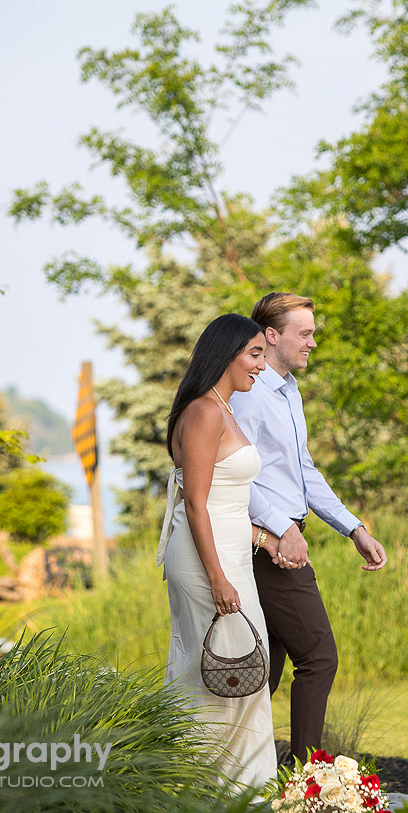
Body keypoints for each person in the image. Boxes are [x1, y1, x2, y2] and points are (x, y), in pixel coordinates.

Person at [229, 292, 388, 763]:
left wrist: (354, 528)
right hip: (268, 546)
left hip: (288, 538)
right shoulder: (251, 394)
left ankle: (240, 777)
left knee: (268, 672)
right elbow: (239, 473)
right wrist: (281, 528)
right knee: (318, 657)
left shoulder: (287, 389)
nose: (313, 342)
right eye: (306, 333)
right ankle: (307, 783)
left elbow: (304, 471)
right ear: (272, 335)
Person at [157, 313, 275, 788]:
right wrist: (219, 577)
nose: (261, 366)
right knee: (220, 674)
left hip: (229, 553)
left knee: (241, 671)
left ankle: (240, 787)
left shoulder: (223, 408)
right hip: (210, 563)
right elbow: (197, 505)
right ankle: (206, 786)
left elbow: (226, 505)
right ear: (225, 354)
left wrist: (264, 540)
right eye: (254, 354)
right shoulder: (205, 412)